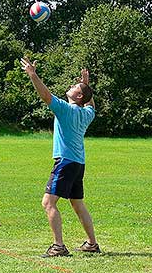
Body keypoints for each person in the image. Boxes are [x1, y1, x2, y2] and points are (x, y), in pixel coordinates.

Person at [20, 57, 101, 258]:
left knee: (48, 203)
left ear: (78, 96)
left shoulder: (65, 110)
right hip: (78, 163)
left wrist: (33, 75)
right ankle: (91, 243)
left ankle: (59, 246)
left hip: (65, 162)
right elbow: (90, 102)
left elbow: (46, 95)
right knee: (77, 203)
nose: (72, 85)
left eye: (75, 86)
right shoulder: (87, 114)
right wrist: (86, 85)